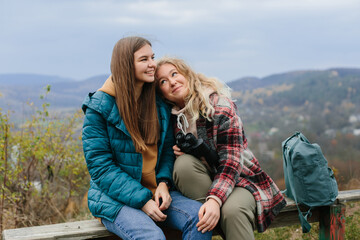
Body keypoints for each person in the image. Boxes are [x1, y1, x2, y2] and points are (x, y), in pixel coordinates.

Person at [81, 37, 212, 240]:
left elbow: (167, 149)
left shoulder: (157, 101)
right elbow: (101, 168)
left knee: (198, 218)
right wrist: (142, 200)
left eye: (152, 57)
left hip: (156, 191)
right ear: (125, 64)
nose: (152, 64)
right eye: (144, 59)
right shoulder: (99, 108)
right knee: (151, 236)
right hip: (115, 199)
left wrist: (163, 183)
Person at [155, 57, 287, 240]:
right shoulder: (169, 119)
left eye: (174, 74)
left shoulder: (219, 107)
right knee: (183, 164)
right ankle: (210, 215)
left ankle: (216, 211)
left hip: (239, 179)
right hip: (203, 180)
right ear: (161, 93)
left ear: (186, 74)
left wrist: (215, 200)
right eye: (163, 81)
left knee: (231, 211)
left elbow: (231, 162)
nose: (172, 82)